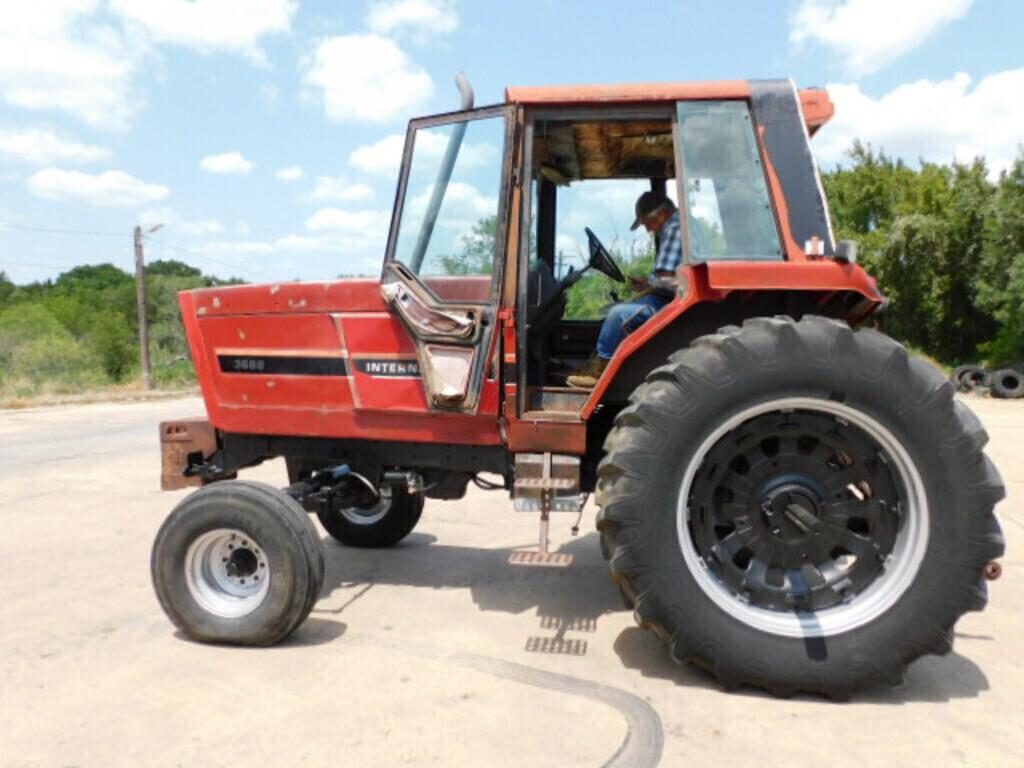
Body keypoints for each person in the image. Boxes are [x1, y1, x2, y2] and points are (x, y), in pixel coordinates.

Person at [567, 190, 682, 389]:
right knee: (620, 308)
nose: (648, 230)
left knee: (617, 314)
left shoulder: (675, 229)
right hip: (668, 296)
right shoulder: (678, 226)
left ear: (662, 214)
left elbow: (668, 279)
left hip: (670, 303)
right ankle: (598, 363)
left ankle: (601, 370)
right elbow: (670, 277)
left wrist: (649, 283)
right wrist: (648, 283)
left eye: (648, 223)